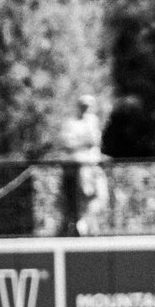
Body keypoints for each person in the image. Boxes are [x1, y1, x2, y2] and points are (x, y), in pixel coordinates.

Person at [58, 94, 109, 236]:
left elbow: (95, 142)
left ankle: (84, 223)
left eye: (90, 106)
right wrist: (85, 142)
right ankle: (82, 226)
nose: (87, 109)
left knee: (101, 197)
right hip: (79, 166)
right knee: (83, 198)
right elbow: (67, 143)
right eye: (84, 106)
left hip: (94, 165)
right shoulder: (71, 123)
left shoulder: (93, 121)